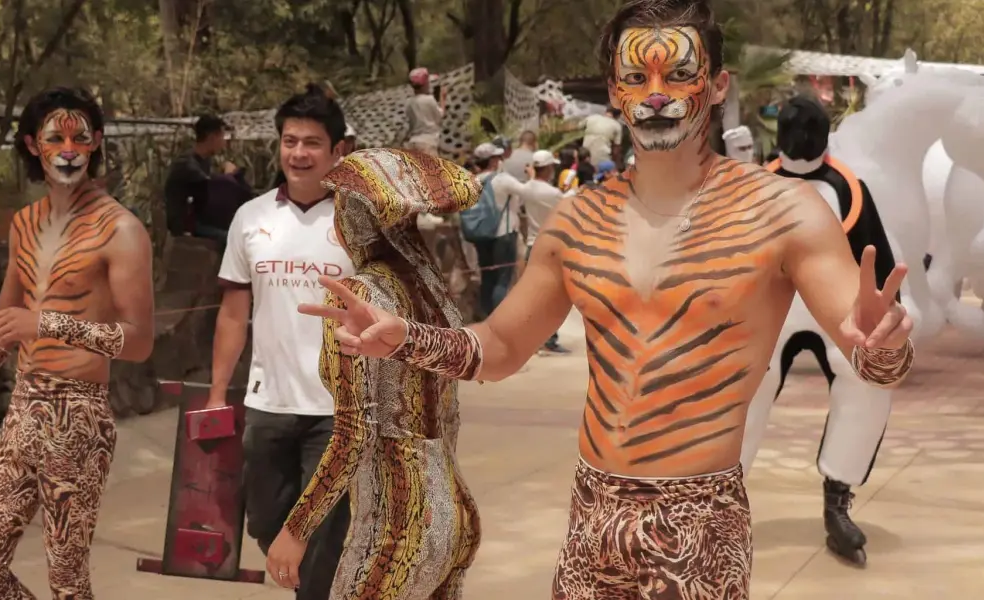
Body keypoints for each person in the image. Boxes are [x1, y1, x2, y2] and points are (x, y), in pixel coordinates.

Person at [299, 1, 916, 597]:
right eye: (635, 77)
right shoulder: (578, 221)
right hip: (592, 513)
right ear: (615, 91)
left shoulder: (785, 212)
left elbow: (870, 353)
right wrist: (407, 338)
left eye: (679, 74)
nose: (656, 94)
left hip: (698, 524)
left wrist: (885, 342)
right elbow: (505, 345)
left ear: (719, 84)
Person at [0, 87, 155, 599]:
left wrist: (48, 325)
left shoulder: (122, 229)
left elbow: (138, 342)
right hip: (24, 410)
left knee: (68, 583)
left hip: (80, 418)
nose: (68, 148)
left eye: (79, 137)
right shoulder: (24, 224)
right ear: (31, 145)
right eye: (54, 137)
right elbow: (5, 323)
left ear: (96, 144)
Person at [264, 148, 482, 598]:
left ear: (354, 217)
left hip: (399, 520)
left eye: (339, 206)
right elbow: (450, 411)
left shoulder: (360, 294)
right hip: (453, 505)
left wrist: (297, 529)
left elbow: (354, 432)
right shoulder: (432, 289)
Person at [740, 96, 903, 567]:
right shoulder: (751, 188)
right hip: (771, 308)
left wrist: (888, 313)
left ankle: (839, 497)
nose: (803, 137)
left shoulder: (851, 189)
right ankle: (721, 498)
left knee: (866, 380)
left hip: (837, 309)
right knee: (743, 384)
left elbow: (877, 256)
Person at [208, 84, 354, 600]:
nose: (298, 153)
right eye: (289, 140)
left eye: (312, 142)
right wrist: (216, 392)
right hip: (266, 403)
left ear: (338, 152)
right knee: (267, 525)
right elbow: (232, 313)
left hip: (339, 409)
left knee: (319, 539)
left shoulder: (361, 221)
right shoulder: (251, 218)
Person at [164, 114, 251, 243]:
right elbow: (209, 189)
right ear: (212, 137)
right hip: (186, 225)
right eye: (221, 136)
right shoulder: (187, 164)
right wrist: (228, 176)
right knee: (234, 240)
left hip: (200, 219)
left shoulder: (204, 161)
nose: (224, 141)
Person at [520, 150, 571, 354]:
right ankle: (550, 339)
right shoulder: (553, 194)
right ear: (549, 168)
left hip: (532, 245)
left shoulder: (526, 189)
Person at [468, 142, 526, 319]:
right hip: (504, 233)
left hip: (480, 234)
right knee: (503, 279)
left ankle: (486, 319)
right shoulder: (502, 179)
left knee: (487, 277)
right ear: (493, 160)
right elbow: (527, 193)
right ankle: (500, 321)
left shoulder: (471, 182)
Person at [404, 68, 446, 156]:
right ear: (425, 84)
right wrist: (443, 98)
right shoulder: (429, 100)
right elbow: (440, 116)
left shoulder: (409, 103)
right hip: (428, 143)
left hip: (413, 143)